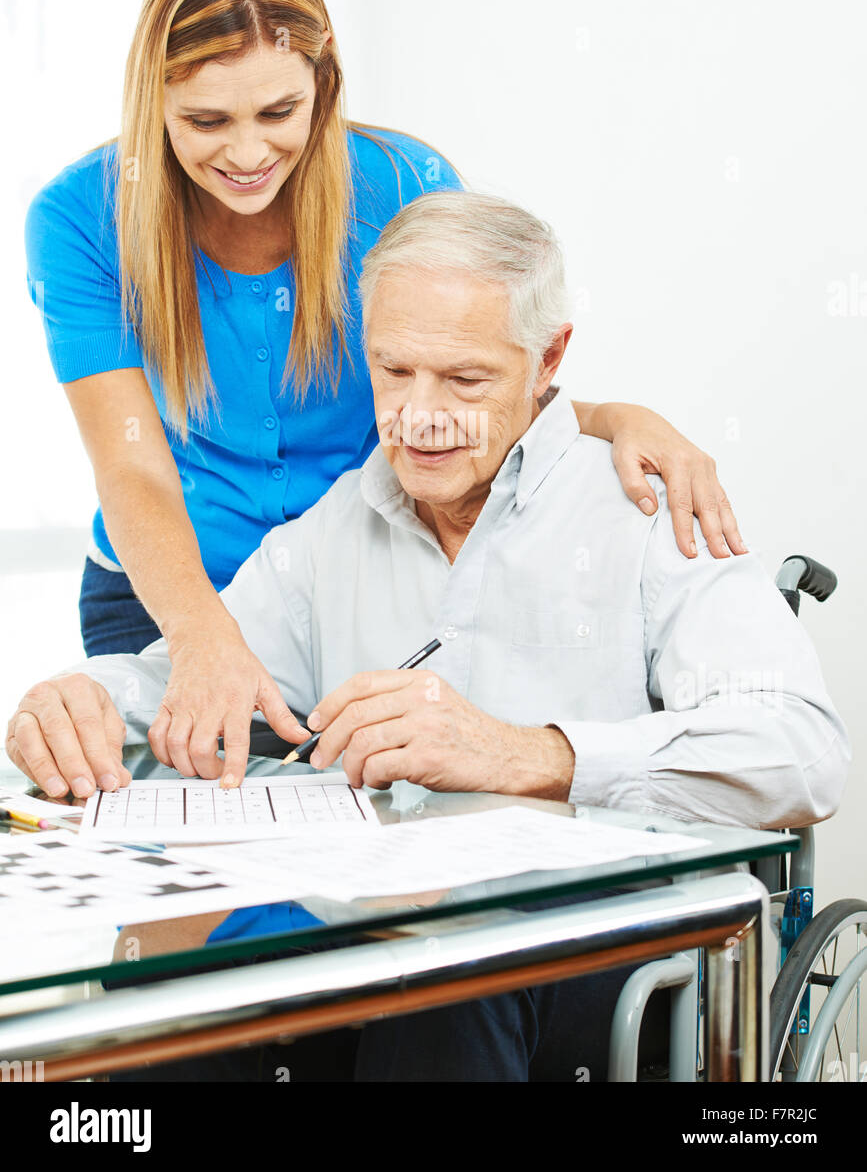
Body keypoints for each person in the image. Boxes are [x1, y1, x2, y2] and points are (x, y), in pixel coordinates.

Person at [8, 190, 849, 1082]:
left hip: (602, 957)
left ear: (548, 357)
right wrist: (82, 703)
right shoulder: (333, 533)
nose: (419, 416)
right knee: (174, 1010)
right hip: (374, 940)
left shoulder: (646, 512)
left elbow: (800, 749)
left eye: (464, 379)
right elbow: (189, 682)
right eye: (393, 371)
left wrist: (531, 755)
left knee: (447, 986)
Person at [22, 0, 748, 800]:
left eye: (279, 113)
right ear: (151, 103)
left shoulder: (401, 183)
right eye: (206, 120)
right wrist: (206, 637)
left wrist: (611, 416)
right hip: (166, 596)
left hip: (350, 589)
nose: (248, 155)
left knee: (375, 854)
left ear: (323, 85)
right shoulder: (79, 219)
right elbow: (131, 465)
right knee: (188, 883)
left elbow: (472, 359)